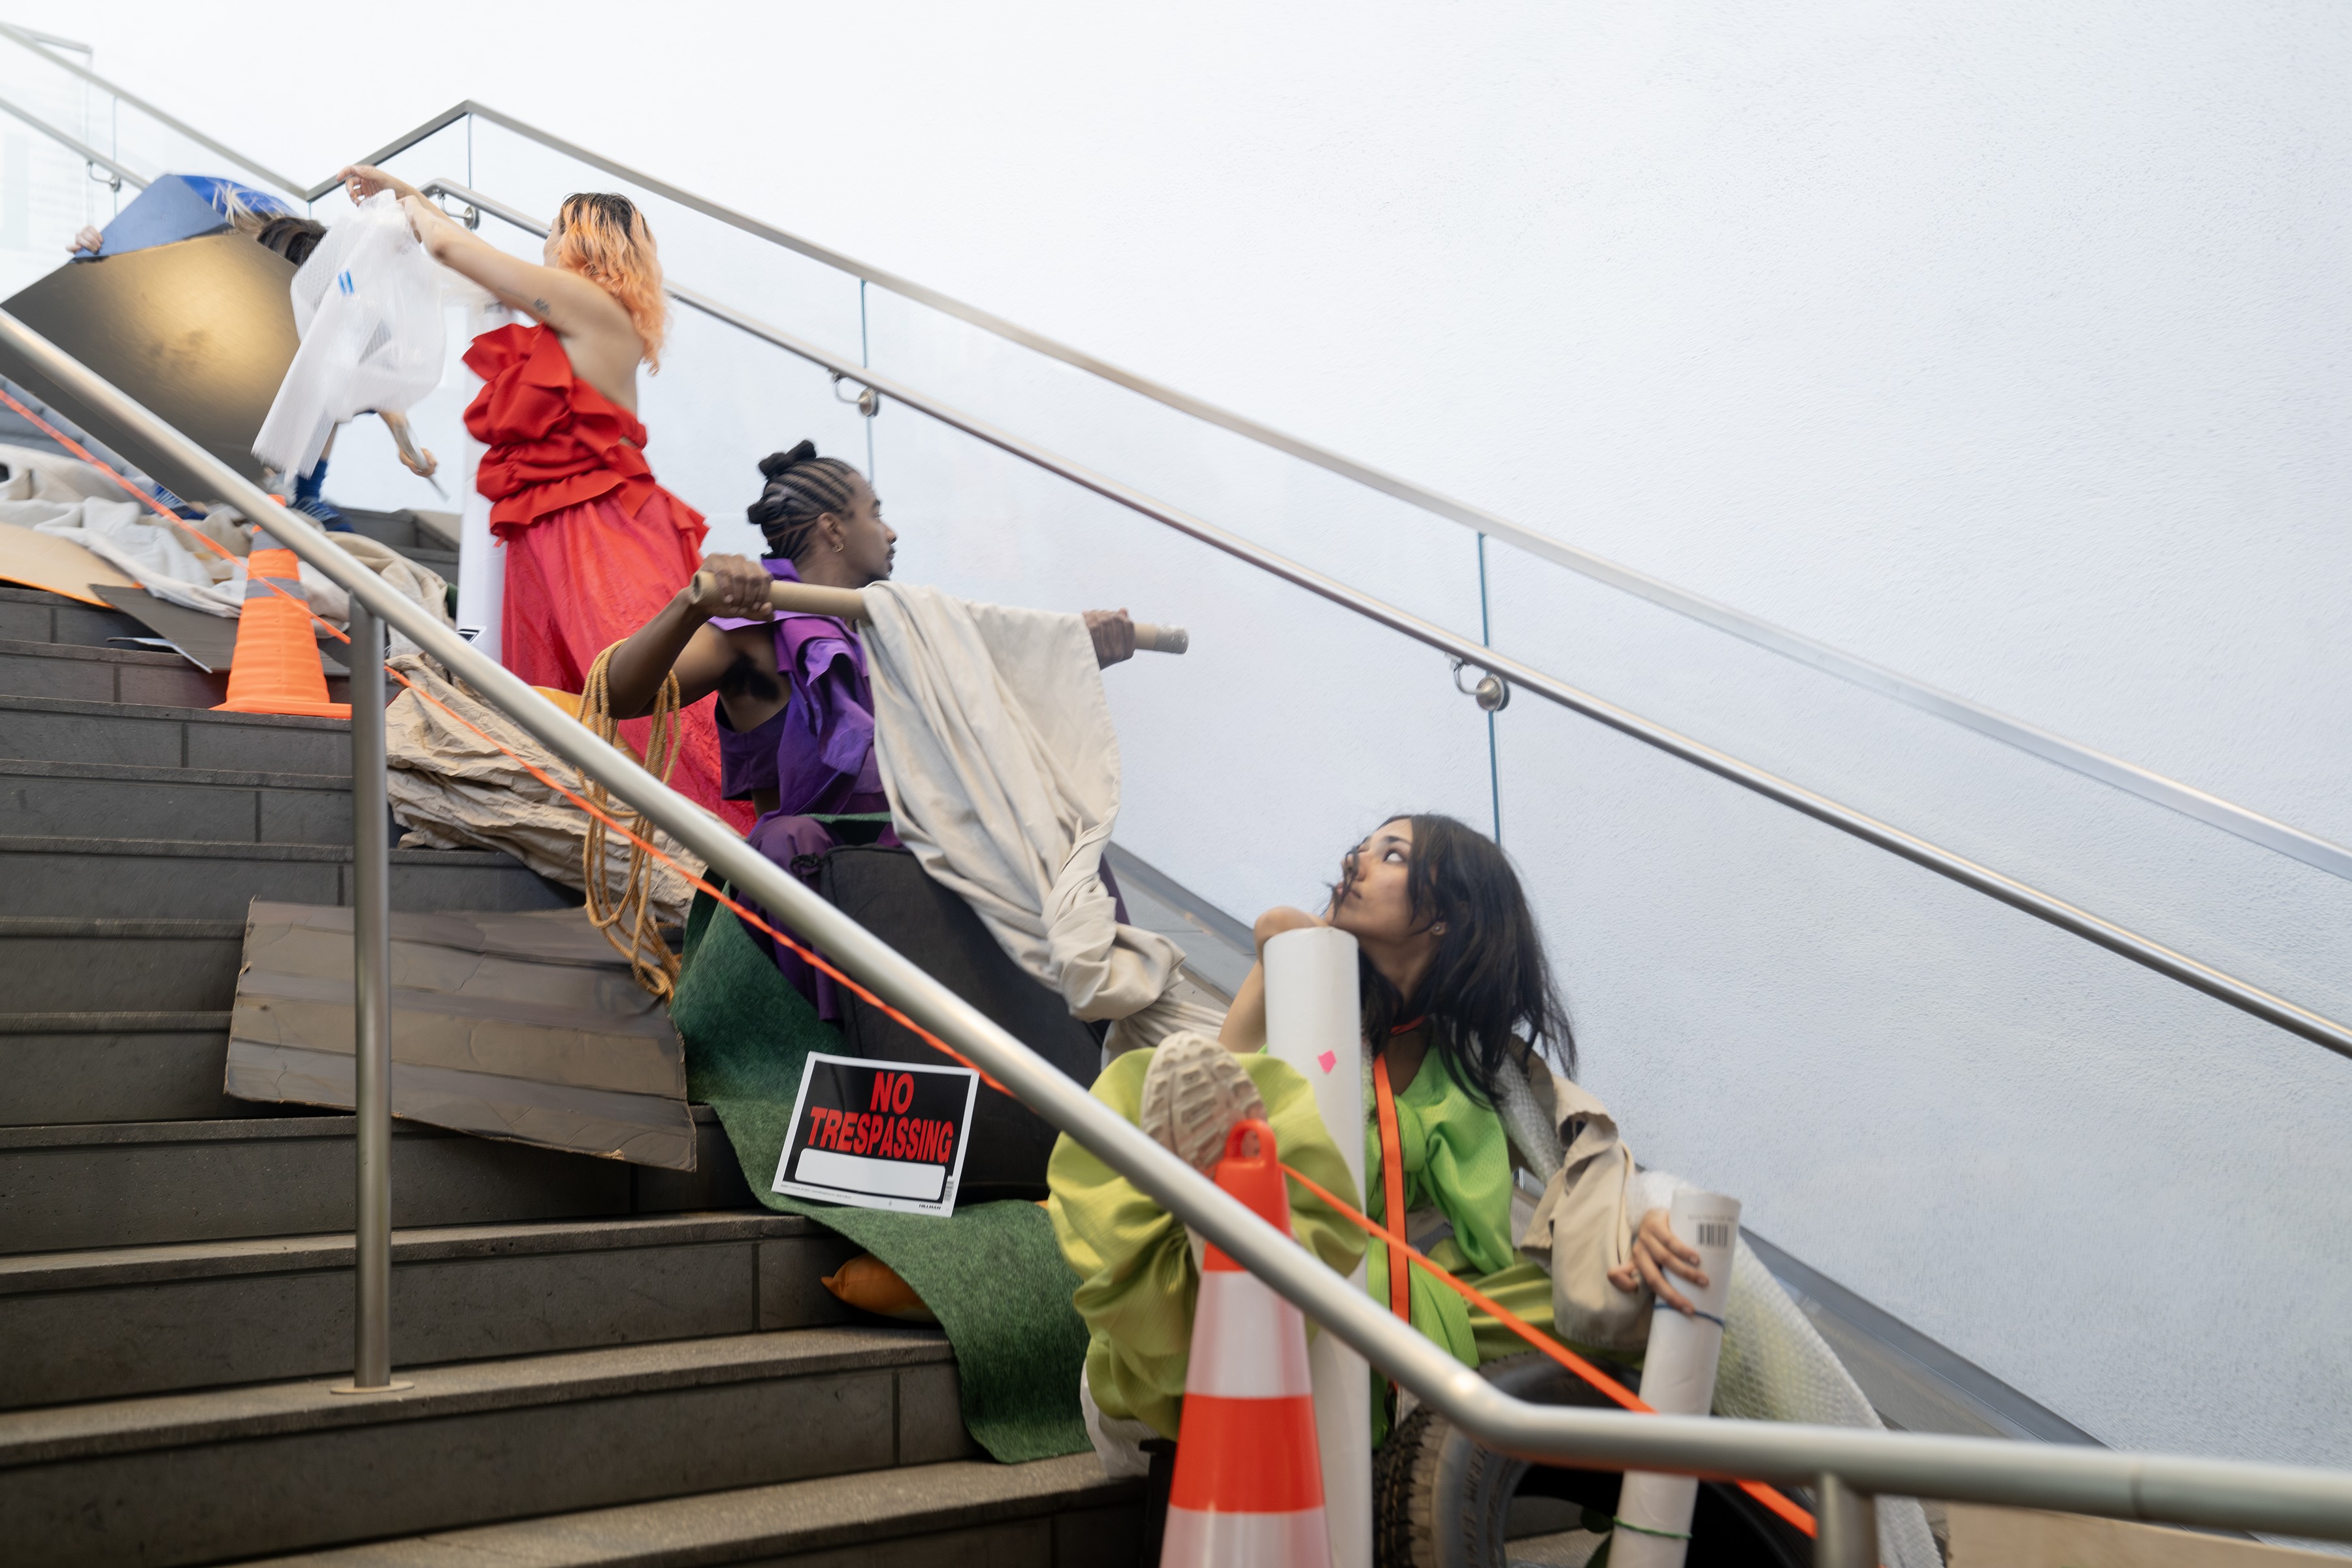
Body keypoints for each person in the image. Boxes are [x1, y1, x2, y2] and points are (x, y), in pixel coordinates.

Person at [1051, 812, 1712, 1445]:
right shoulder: (1302, 992)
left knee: (1641, 1299)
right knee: (1261, 1199)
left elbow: (1583, 1163)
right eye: (1361, 848)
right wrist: (1284, 954)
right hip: (1287, 1275)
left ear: (1448, 916)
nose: (1356, 860)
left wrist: (1638, 1223)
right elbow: (1209, 1106)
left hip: (1428, 1305)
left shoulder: (1483, 1070)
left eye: (1392, 854)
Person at [598, 441, 1139, 1009]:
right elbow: (616, 695)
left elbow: (989, 707)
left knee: (1059, 833)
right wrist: (692, 604)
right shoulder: (752, 633)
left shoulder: (897, 632)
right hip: (820, 873)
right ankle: (864, 1029)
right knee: (787, 840)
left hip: (913, 854)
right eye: (876, 513)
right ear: (833, 529)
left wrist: (1078, 652)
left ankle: (1115, 1020)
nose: (891, 532)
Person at [333, 164, 737, 823]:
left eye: (554, 229)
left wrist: (405, 206)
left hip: (601, 529)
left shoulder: (587, 304)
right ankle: (637, 836)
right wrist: (403, 194)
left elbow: (451, 248)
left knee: (647, 703)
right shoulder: (580, 313)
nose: (545, 241)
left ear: (583, 241)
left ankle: (716, 840)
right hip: (561, 529)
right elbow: (468, 255)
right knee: (571, 703)